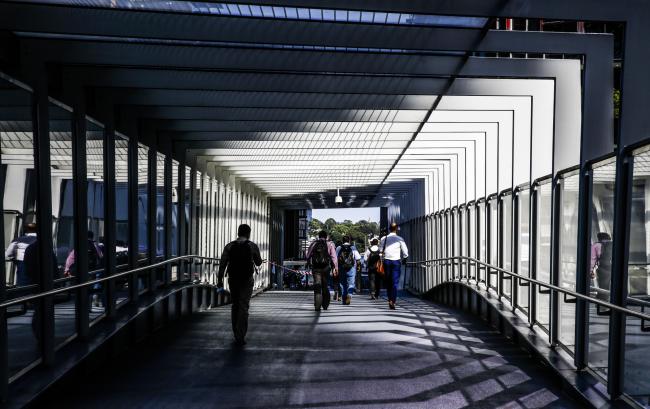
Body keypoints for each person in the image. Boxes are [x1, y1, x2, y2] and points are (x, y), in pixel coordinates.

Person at [217, 224, 263, 346]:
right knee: (244, 306)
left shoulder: (229, 246)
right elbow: (258, 262)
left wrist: (219, 280)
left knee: (235, 305)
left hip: (233, 279)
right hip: (247, 279)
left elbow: (222, 264)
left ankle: (235, 331)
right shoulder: (252, 245)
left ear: (238, 233)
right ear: (248, 233)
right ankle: (240, 335)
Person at [64, 231, 104, 307]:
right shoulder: (94, 245)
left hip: (78, 271)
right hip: (91, 271)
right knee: (89, 289)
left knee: (80, 288)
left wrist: (67, 269)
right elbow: (101, 257)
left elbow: (70, 259)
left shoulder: (79, 245)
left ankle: (79, 306)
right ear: (92, 237)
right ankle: (88, 306)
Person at [306, 230, 338, 311]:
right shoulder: (330, 244)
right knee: (325, 285)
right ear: (326, 236)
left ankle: (317, 304)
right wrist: (335, 268)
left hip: (316, 268)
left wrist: (308, 262)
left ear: (319, 236)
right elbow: (334, 257)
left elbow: (308, 255)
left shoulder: (314, 243)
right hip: (326, 268)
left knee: (317, 285)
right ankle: (325, 304)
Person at [380, 222, 409, 310]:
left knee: (388, 282)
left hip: (387, 261)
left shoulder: (384, 239)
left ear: (389, 229)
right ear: (396, 229)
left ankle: (389, 299)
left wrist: (382, 259)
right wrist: (405, 258)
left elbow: (381, 251)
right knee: (395, 282)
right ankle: (393, 300)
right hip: (396, 261)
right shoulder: (400, 239)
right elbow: (405, 252)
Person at [336, 236, 361, 305]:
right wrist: (358, 267)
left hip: (341, 268)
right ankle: (349, 295)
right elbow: (358, 259)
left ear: (342, 241)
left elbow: (335, 258)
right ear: (349, 241)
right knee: (351, 283)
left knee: (342, 283)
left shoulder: (339, 248)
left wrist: (335, 268)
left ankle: (344, 298)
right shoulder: (353, 248)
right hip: (351, 268)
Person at [590, 232, 612, 300]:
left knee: (602, 285)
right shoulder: (613, 244)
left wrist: (591, 271)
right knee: (610, 285)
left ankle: (602, 300)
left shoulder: (596, 245)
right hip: (612, 267)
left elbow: (593, 260)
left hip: (602, 267)